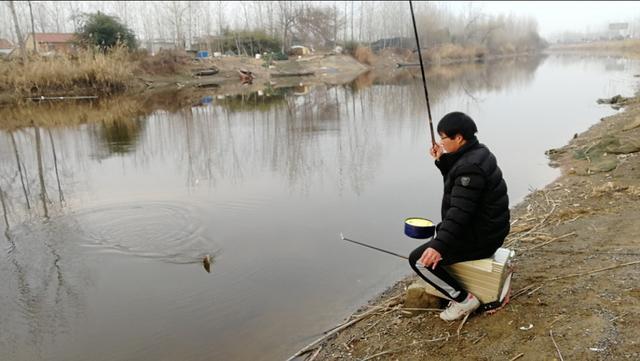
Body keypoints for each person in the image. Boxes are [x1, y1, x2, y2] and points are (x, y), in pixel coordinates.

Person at [408, 111, 510, 321]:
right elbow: (462, 187)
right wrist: (443, 161)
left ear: (459, 138)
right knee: (438, 236)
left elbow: (460, 213)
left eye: (444, 137)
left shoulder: (468, 168)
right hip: (488, 229)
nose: (441, 142)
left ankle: (464, 299)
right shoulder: (478, 153)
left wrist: (438, 246)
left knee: (418, 260)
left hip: (483, 238)